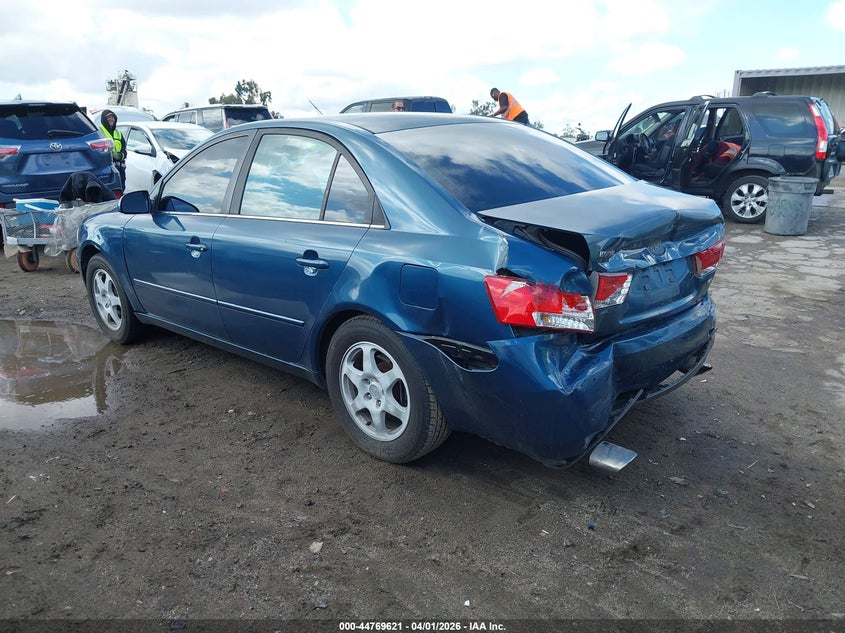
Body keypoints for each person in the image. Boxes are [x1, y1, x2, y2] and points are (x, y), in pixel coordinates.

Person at [99, 109, 127, 190]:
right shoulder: (99, 132)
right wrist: (112, 155)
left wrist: (120, 155)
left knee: (121, 189)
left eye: (113, 117)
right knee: (107, 190)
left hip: (120, 167)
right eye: (109, 117)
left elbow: (124, 149)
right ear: (104, 119)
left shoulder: (118, 132)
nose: (111, 119)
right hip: (106, 168)